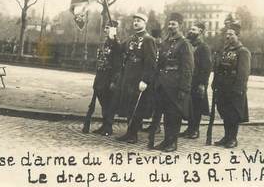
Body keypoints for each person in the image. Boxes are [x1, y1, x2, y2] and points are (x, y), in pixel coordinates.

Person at [154, 12, 194, 152]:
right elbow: (160, 63)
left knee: (174, 115)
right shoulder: (165, 42)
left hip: (176, 86)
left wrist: (184, 88)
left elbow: (187, 68)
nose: (171, 27)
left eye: (174, 24)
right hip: (163, 85)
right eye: (169, 24)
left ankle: (173, 142)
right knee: (166, 113)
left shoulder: (184, 44)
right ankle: (166, 140)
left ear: (180, 26)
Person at [115, 12, 157, 144]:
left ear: (144, 23)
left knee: (137, 107)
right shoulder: (131, 38)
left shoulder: (148, 39)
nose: (136, 23)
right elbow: (119, 49)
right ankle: (129, 132)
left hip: (139, 78)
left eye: (139, 21)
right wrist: (113, 37)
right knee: (129, 105)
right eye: (134, 21)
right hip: (128, 77)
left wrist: (145, 79)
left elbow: (151, 61)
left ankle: (133, 134)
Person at [212, 20, 251, 148]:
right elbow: (218, 68)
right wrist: (215, 83)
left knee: (233, 114)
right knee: (224, 112)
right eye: (227, 34)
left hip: (234, 88)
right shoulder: (224, 50)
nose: (228, 37)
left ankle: (233, 138)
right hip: (223, 87)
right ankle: (226, 136)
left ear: (238, 36)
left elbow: (243, 73)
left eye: (231, 34)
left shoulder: (243, 51)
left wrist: (239, 89)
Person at [82, 20, 121, 136]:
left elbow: (118, 64)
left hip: (109, 77)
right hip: (100, 76)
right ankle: (104, 125)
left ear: (113, 30)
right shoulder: (105, 43)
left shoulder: (116, 44)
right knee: (103, 102)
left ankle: (108, 127)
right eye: (105, 27)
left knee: (109, 102)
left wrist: (114, 80)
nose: (105, 30)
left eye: (108, 28)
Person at [179, 21, 212, 139]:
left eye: (194, 30)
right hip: (188, 80)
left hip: (198, 82)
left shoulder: (204, 47)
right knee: (189, 105)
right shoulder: (188, 45)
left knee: (197, 106)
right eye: (190, 29)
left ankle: (195, 130)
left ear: (200, 32)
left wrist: (203, 84)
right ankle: (189, 128)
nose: (190, 31)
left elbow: (207, 67)